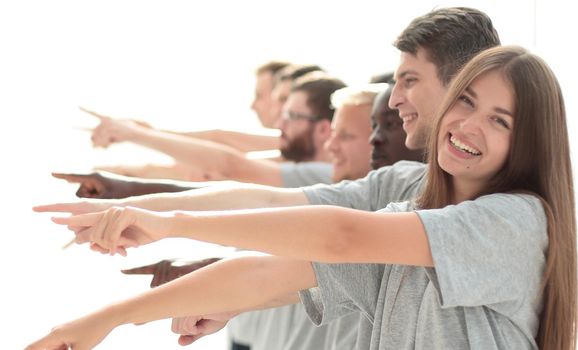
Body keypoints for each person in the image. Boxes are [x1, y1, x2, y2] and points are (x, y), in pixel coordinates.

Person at [27, 46, 576, 350]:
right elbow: (269, 273)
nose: (470, 125)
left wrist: (168, 221)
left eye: (499, 120)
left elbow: (339, 234)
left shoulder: (516, 222)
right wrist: (103, 321)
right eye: (468, 102)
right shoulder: (410, 218)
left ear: (526, 142)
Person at [86, 72, 346, 185]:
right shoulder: (299, 162)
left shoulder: (326, 174)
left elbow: (230, 161)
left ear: (323, 129)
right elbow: (225, 152)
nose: (280, 122)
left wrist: (137, 134)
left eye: (290, 115)